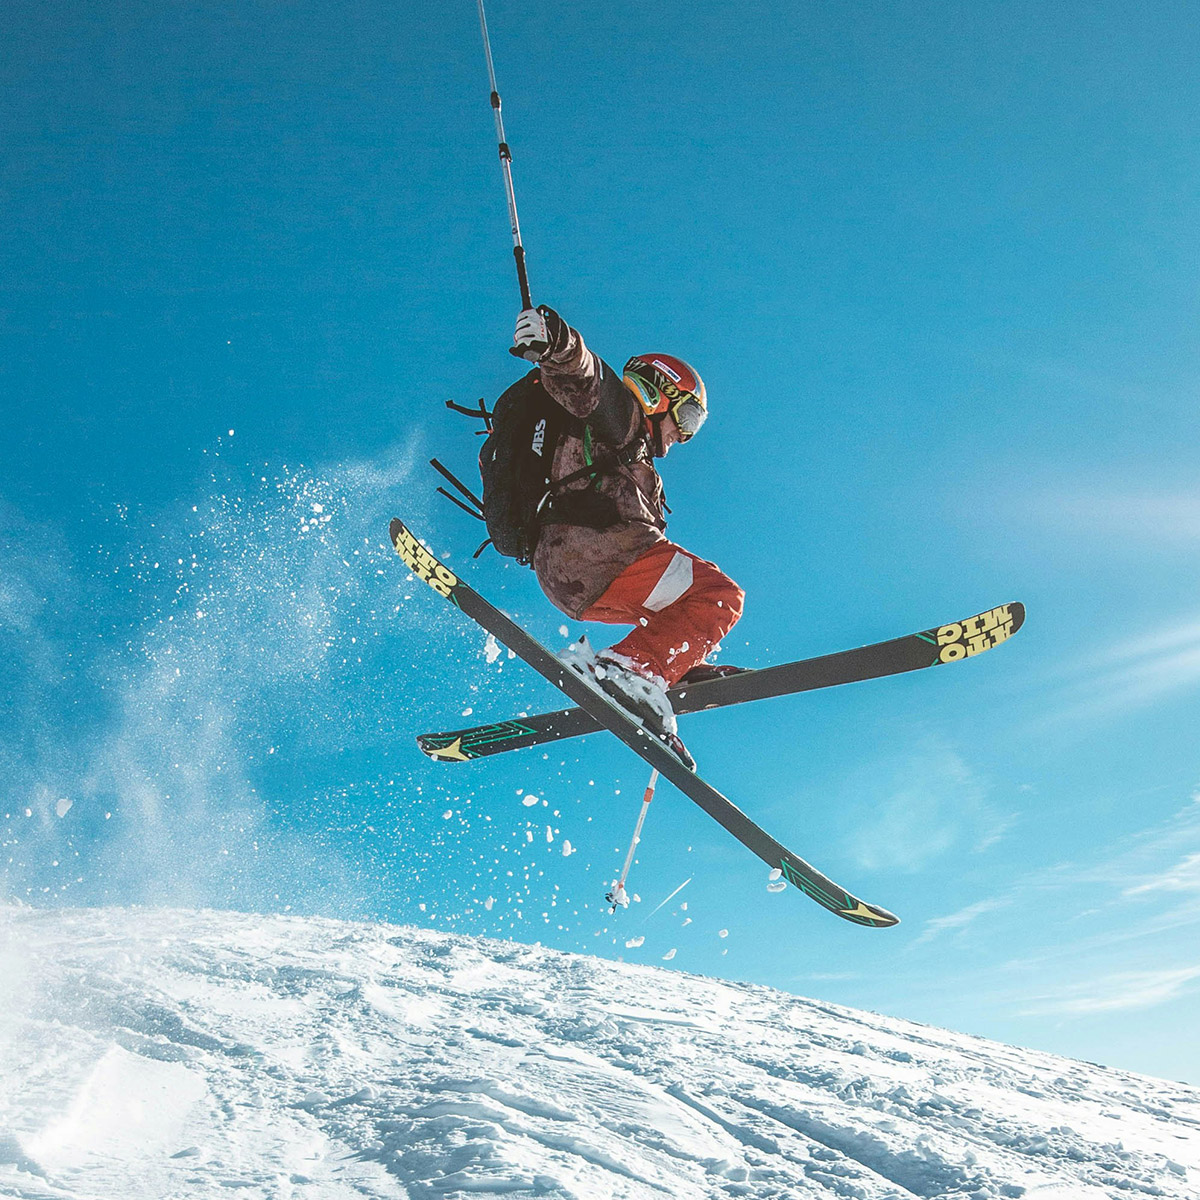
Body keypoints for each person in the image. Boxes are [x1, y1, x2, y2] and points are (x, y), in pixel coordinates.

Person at [512, 305, 744, 767]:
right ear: (659, 392)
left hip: (574, 575)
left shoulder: (638, 458)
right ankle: (632, 668)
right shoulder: (622, 417)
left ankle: (667, 663)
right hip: (599, 552)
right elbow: (584, 377)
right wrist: (556, 341)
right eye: (690, 417)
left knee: (678, 603)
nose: (686, 435)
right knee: (719, 595)